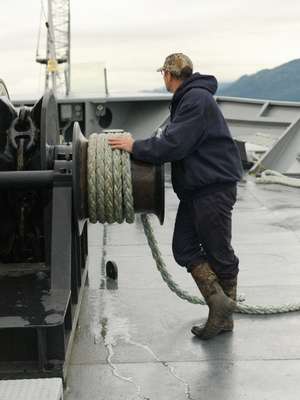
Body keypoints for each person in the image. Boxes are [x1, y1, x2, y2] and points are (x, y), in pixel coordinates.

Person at [108, 53, 243, 340]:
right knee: (183, 247)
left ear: (169, 75)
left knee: (220, 253)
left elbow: (175, 144)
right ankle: (220, 305)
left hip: (212, 188)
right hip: (198, 190)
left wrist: (135, 147)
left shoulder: (195, 100)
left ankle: (223, 316)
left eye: (164, 75)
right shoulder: (190, 98)